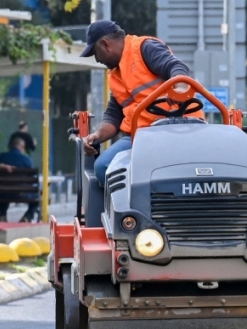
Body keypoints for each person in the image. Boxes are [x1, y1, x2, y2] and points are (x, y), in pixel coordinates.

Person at [76, 18, 192, 224]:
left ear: (105, 44)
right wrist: (97, 136)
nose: (97, 60)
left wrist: (180, 89)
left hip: (177, 130)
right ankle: (129, 220)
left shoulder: (145, 48)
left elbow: (175, 66)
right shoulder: (115, 75)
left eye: (95, 53)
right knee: (103, 167)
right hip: (140, 136)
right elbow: (113, 114)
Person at [0, 143, 39, 222]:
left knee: (5, 190)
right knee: (37, 199)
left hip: (3, 193)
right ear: (22, 147)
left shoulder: (1, 157)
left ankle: (2, 215)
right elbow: (31, 179)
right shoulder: (26, 159)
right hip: (21, 194)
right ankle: (28, 217)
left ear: (9, 147)